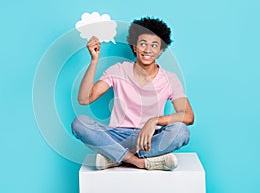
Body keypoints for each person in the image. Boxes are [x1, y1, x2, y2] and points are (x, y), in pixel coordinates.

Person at [71, 17, 194, 170]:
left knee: (181, 131)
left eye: (154, 45)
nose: (148, 49)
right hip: (117, 136)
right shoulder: (118, 70)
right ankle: (139, 162)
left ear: (161, 50)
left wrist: (154, 121)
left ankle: (115, 157)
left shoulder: (170, 78)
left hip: (149, 139)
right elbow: (84, 99)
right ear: (134, 47)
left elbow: (188, 116)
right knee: (79, 123)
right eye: (143, 44)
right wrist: (94, 60)